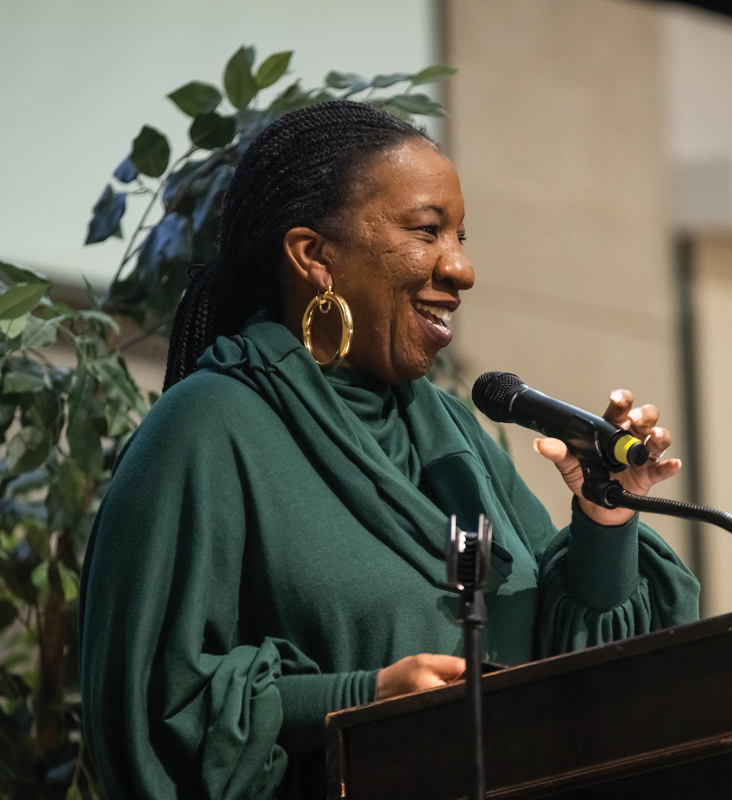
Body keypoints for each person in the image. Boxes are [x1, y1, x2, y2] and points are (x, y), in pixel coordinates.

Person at [79, 100, 699, 800]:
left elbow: (575, 675)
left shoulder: (453, 435)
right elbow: (155, 704)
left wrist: (603, 522)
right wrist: (358, 699)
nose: (461, 269)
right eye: (428, 232)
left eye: (462, 237)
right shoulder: (206, 430)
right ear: (313, 256)